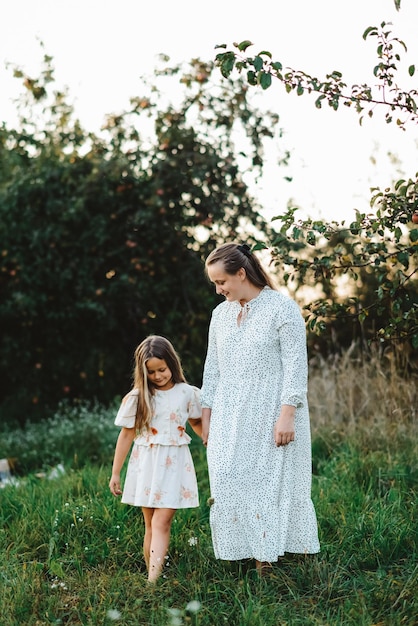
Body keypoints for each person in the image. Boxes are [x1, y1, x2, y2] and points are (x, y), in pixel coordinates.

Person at [200, 242, 320, 574]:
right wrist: (206, 415)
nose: (218, 289)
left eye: (222, 282)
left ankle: (265, 557)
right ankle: (239, 548)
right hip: (227, 409)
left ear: (241, 273)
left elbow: (296, 366)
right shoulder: (219, 315)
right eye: (214, 283)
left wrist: (288, 413)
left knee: (264, 479)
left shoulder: (282, 308)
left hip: (270, 408)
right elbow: (212, 368)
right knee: (225, 475)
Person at [109, 335, 203, 583]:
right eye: (151, 372)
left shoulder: (187, 393)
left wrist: (209, 439)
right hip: (146, 463)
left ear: (172, 363)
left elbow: (195, 421)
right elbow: (126, 434)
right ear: (143, 372)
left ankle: (152, 581)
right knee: (150, 523)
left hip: (174, 464)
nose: (158, 376)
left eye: (162, 369)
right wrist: (115, 472)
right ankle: (152, 573)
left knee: (163, 521)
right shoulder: (139, 397)